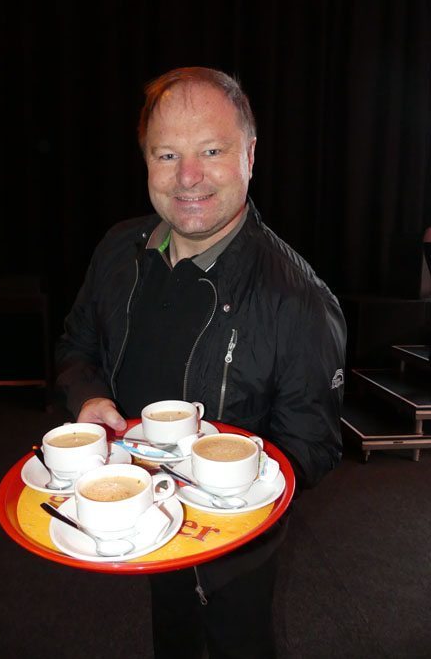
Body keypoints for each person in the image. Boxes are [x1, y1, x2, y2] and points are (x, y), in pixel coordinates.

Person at [56, 66, 346, 659]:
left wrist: (225, 481)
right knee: (172, 640)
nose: (188, 177)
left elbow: (314, 445)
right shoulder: (117, 250)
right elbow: (76, 346)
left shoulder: (300, 302)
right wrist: (90, 398)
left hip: (232, 550)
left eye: (212, 151)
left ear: (250, 155)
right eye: (167, 155)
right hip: (143, 512)